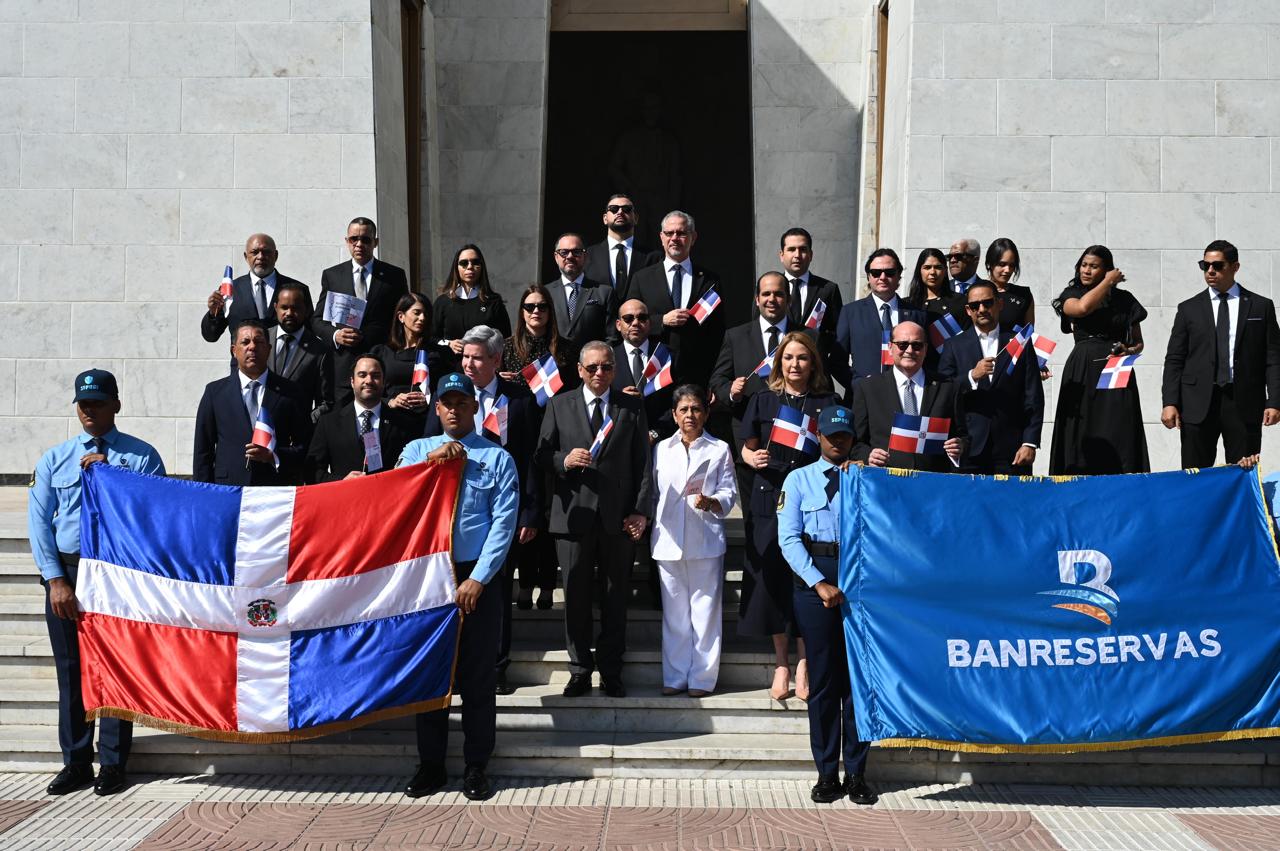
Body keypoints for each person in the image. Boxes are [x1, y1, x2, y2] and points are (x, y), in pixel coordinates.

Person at [28, 369, 166, 797]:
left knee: (116, 669)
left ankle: (112, 763)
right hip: (69, 572)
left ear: (116, 405)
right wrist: (55, 579)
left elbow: (156, 514)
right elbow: (39, 523)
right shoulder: (56, 459)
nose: (89, 410)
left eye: (98, 402)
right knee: (71, 670)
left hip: (118, 572)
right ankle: (75, 762)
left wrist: (115, 479)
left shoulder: (141, 457)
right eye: (83, 403)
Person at [398, 373, 518, 802]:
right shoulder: (416, 450)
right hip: (429, 576)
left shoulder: (496, 457)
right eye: (447, 403)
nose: (454, 410)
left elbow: (503, 523)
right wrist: (431, 462)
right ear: (437, 408)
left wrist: (478, 578)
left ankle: (476, 765)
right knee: (430, 674)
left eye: (462, 403)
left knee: (478, 676)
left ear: (474, 407)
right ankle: (430, 764)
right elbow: (395, 498)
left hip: (475, 577)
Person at [423, 326, 543, 695]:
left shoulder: (519, 399)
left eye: (477, 358)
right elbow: (424, 451)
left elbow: (532, 457)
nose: (469, 364)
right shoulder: (446, 400)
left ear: (495, 359)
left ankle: (498, 665)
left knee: (497, 590)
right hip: (447, 529)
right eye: (465, 357)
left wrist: (530, 512)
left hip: (503, 507)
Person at [536, 341, 653, 699]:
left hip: (618, 519)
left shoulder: (631, 406)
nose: (599, 373)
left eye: (606, 367)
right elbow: (541, 455)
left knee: (615, 598)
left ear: (615, 370)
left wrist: (640, 510)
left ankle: (611, 670)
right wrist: (564, 460)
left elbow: (643, 464)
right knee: (575, 596)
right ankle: (579, 669)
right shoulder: (559, 404)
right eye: (592, 367)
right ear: (580, 371)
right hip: (574, 517)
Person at [777, 405, 876, 806]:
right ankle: (826, 773)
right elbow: (788, 538)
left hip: (859, 581)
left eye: (845, 435)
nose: (838, 441)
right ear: (819, 436)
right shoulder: (798, 479)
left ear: (853, 438)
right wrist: (818, 583)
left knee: (857, 683)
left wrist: (867, 476)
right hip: (814, 578)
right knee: (823, 682)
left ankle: (857, 772)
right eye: (832, 435)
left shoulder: (864, 478)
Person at [737, 332, 837, 701]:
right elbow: (746, 447)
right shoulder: (763, 399)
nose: (795, 364)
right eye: (789, 358)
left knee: (806, 578)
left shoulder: (827, 402)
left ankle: (804, 662)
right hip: (769, 496)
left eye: (802, 358)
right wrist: (752, 458)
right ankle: (781, 663)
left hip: (813, 499)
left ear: (813, 364)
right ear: (779, 363)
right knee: (772, 582)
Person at [650, 384, 737, 697]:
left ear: (706, 413)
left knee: (705, 612)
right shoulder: (661, 449)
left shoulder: (719, 449)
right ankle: (675, 676)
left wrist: (711, 502)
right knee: (675, 615)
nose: (690, 415)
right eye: (684, 410)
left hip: (705, 539)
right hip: (668, 539)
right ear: (674, 415)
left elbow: (729, 491)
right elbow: (653, 492)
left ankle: (701, 678)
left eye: (696, 409)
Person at [1162, 240, 1280, 468]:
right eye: (1205, 265)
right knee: (1195, 475)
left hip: (1244, 402)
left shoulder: (1260, 306)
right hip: (1196, 403)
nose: (1210, 271)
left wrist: (1274, 401)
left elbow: (1273, 358)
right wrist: (1170, 402)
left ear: (1235, 267)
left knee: (1242, 472)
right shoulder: (1188, 308)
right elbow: (1175, 360)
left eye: (1217, 265)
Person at [500, 283, 579, 611]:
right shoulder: (507, 347)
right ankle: (525, 583)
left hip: (554, 439)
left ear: (550, 312)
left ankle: (546, 583)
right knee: (525, 513)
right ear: (521, 312)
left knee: (549, 515)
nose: (536, 312)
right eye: (530, 306)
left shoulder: (565, 349)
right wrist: (504, 380)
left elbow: (574, 392)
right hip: (519, 438)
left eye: (542, 307)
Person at [1049, 245, 1150, 475]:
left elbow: (1139, 342)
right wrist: (1108, 282)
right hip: (1083, 365)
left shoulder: (1125, 299)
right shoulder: (1072, 293)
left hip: (1116, 367)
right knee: (1081, 426)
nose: (1086, 270)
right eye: (1083, 265)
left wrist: (1128, 350)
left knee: (1119, 426)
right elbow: (1082, 308)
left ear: (1106, 269)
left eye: (1094, 266)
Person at [937, 282, 1044, 475]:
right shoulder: (954, 345)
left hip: (1013, 449)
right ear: (968, 310)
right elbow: (943, 390)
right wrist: (972, 376)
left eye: (987, 303)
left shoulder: (1019, 342)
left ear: (999, 304)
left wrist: (1030, 442)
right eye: (975, 306)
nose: (981, 309)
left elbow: (1033, 395)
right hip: (968, 447)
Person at [612, 297, 676, 608]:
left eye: (641, 317)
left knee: (657, 519)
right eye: (628, 318)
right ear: (618, 324)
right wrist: (617, 398)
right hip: (619, 454)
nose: (635, 323)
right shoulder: (607, 359)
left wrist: (654, 434)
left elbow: (675, 404)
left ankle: (658, 593)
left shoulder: (665, 356)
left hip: (658, 448)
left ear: (650, 323)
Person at [193, 320, 309, 486]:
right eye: (245, 342)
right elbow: (203, 451)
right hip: (228, 488)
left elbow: (304, 446)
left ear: (269, 349)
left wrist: (273, 456)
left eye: (259, 342)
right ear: (234, 350)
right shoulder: (215, 393)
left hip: (274, 488)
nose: (252, 347)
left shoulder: (290, 392)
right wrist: (203, 492)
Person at [312, 217, 410, 406]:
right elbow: (317, 320)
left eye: (365, 239)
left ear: (375, 242)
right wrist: (336, 335)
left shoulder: (394, 276)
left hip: (380, 362)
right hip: (342, 366)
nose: (359, 244)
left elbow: (402, 318)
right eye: (353, 239)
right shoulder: (333, 275)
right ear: (346, 241)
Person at [850, 321, 967, 472]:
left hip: (932, 480)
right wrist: (868, 456)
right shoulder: (868, 388)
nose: (910, 350)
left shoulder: (948, 387)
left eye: (917, 345)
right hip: (885, 478)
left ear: (925, 349)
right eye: (902, 345)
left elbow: (963, 436)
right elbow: (855, 442)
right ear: (890, 347)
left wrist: (960, 446)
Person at [625, 211, 725, 388]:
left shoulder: (709, 280)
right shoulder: (642, 278)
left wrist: (714, 382)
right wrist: (662, 320)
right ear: (661, 237)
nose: (674, 238)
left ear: (693, 238)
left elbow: (717, 333)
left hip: (696, 375)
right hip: (654, 374)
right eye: (669, 233)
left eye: (681, 233)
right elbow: (629, 321)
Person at [306, 354, 419, 482]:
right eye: (362, 375)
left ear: (384, 382)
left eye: (375, 375)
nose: (369, 380)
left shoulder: (402, 423)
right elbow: (312, 471)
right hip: (345, 493)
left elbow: (413, 470)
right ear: (352, 381)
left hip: (387, 493)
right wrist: (341, 482)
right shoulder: (329, 423)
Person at [833, 248, 928, 391]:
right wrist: (859, 386)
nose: (882, 277)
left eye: (889, 272)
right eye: (876, 273)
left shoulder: (917, 315)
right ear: (868, 277)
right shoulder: (850, 312)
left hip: (907, 393)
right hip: (864, 395)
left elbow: (927, 358)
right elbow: (836, 361)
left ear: (899, 276)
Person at [200, 233, 309, 343]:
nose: (260, 257)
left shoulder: (298, 289)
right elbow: (211, 336)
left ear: (275, 255)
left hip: (285, 353)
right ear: (246, 256)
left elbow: (309, 333)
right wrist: (212, 313)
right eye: (255, 252)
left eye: (266, 252)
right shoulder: (231, 290)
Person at [370, 292, 446, 435]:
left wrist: (429, 399)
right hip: (390, 424)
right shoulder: (382, 352)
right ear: (401, 316)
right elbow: (370, 390)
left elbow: (445, 390)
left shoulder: (438, 354)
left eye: (426, 314)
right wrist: (391, 401)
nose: (422, 318)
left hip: (426, 425)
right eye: (417, 313)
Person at [432, 243, 512, 371]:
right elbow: (431, 337)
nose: (470, 267)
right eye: (464, 263)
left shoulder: (493, 301)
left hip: (483, 372)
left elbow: (505, 340)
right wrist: (449, 343)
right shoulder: (443, 302)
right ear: (456, 267)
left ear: (482, 266)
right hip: (450, 371)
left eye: (475, 262)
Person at [268, 280, 333, 423]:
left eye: (296, 308)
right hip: (259, 429)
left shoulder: (320, 350)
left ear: (307, 310)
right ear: (275, 307)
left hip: (296, 433)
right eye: (284, 307)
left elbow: (326, 402)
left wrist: (305, 423)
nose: (289, 313)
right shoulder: (260, 340)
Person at [545, 232, 619, 350]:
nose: (570, 256)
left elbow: (611, 336)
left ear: (585, 256)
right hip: (554, 360)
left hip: (592, 360)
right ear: (556, 257)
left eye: (576, 252)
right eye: (564, 252)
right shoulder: (545, 293)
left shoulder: (604, 292)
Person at [780, 227, 843, 364]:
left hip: (816, 367)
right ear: (781, 255)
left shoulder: (828, 289)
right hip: (779, 367)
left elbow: (838, 332)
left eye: (803, 249)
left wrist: (818, 345)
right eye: (791, 249)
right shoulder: (769, 288)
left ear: (811, 255)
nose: (797, 255)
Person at [904, 247, 967, 375]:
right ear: (919, 270)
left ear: (945, 271)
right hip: (914, 373)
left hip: (950, 374)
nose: (932, 272)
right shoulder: (906, 305)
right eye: (927, 267)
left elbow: (966, 343)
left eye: (938, 267)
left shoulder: (960, 302)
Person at [584, 193, 661, 291]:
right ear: (605, 218)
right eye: (613, 209)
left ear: (636, 218)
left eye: (626, 209)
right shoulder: (588, 255)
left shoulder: (653, 257)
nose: (620, 212)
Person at [984, 237, 1035, 333]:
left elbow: (1028, 334)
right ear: (990, 263)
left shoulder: (1024, 295)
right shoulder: (976, 292)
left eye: (1012, 265)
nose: (1007, 270)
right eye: (1002, 264)